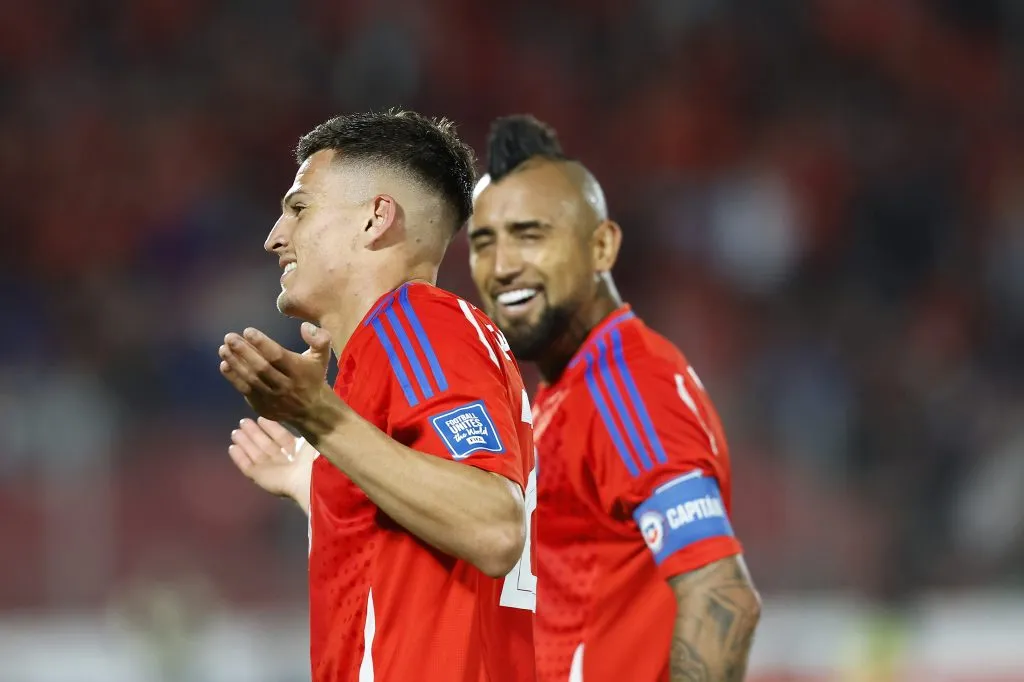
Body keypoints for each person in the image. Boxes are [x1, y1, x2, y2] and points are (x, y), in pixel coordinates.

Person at [217, 109, 536, 682]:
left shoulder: (416, 324)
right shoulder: (392, 355)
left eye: (299, 208)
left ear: (375, 219)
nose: (274, 238)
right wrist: (317, 483)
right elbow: (416, 550)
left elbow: (494, 527)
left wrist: (320, 419)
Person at [467, 115, 761, 682]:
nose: (502, 267)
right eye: (485, 242)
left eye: (530, 235)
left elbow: (721, 597)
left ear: (601, 246)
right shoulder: (568, 390)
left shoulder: (626, 385)